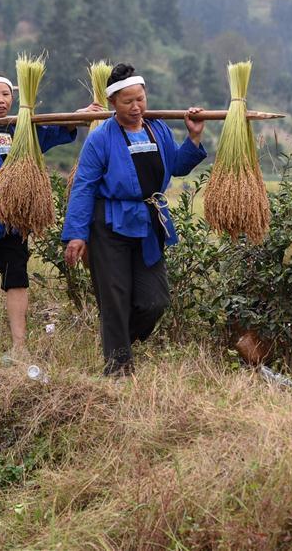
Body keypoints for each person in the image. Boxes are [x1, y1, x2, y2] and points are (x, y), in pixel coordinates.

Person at [62, 63, 207, 377]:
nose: (136, 107)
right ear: (113, 103)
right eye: (127, 101)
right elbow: (84, 186)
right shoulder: (100, 139)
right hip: (109, 225)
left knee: (154, 300)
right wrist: (76, 234)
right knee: (114, 297)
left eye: (140, 99)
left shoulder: (158, 128)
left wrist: (193, 139)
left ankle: (117, 343)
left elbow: (177, 166)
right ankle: (118, 369)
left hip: (147, 222)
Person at [0, 68, 103, 351]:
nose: (1, 100)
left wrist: (77, 115)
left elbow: (57, 132)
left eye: (6, 94)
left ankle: (19, 344)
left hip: (15, 220)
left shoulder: (24, 127)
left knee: (17, 275)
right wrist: (8, 192)